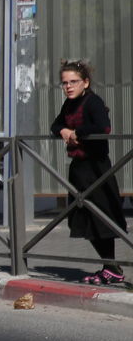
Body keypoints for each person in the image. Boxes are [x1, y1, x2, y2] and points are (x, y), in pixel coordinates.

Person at [51, 59, 127, 285]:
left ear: (86, 82)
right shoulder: (68, 104)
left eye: (73, 82)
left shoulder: (92, 101)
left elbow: (103, 127)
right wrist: (64, 129)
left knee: (101, 218)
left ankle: (111, 267)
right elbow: (55, 126)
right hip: (79, 168)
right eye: (65, 83)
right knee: (79, 216)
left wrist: (76, 133)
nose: (68, 87)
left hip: (96, 167)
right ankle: (110, 266)